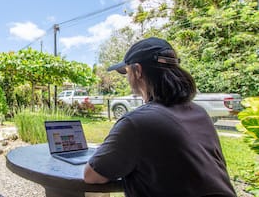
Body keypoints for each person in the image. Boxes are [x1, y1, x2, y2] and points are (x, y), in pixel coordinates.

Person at [83, 37, 236, 197]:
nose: (128, 79)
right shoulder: (199, 113)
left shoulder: (137, 122)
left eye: (127, 72)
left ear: (138, 71)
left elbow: (92, 175)